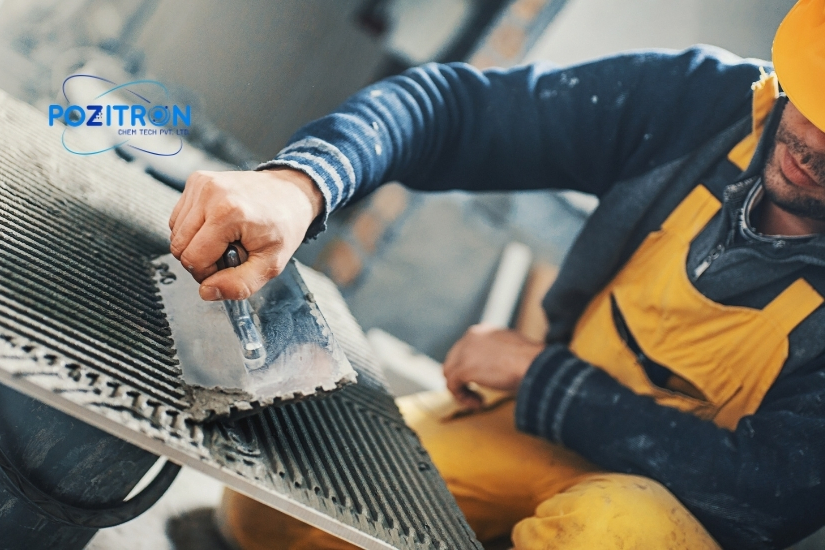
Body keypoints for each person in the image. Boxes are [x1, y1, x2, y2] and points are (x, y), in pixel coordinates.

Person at [167, 1, 825, 548]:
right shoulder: (701, 104)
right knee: (276, 501)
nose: (815, 146)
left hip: (682, 515)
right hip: (548, 428)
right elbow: (455, 112)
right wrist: (302, 184)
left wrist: (546, 379)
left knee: (611, 532)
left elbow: (767, 493)